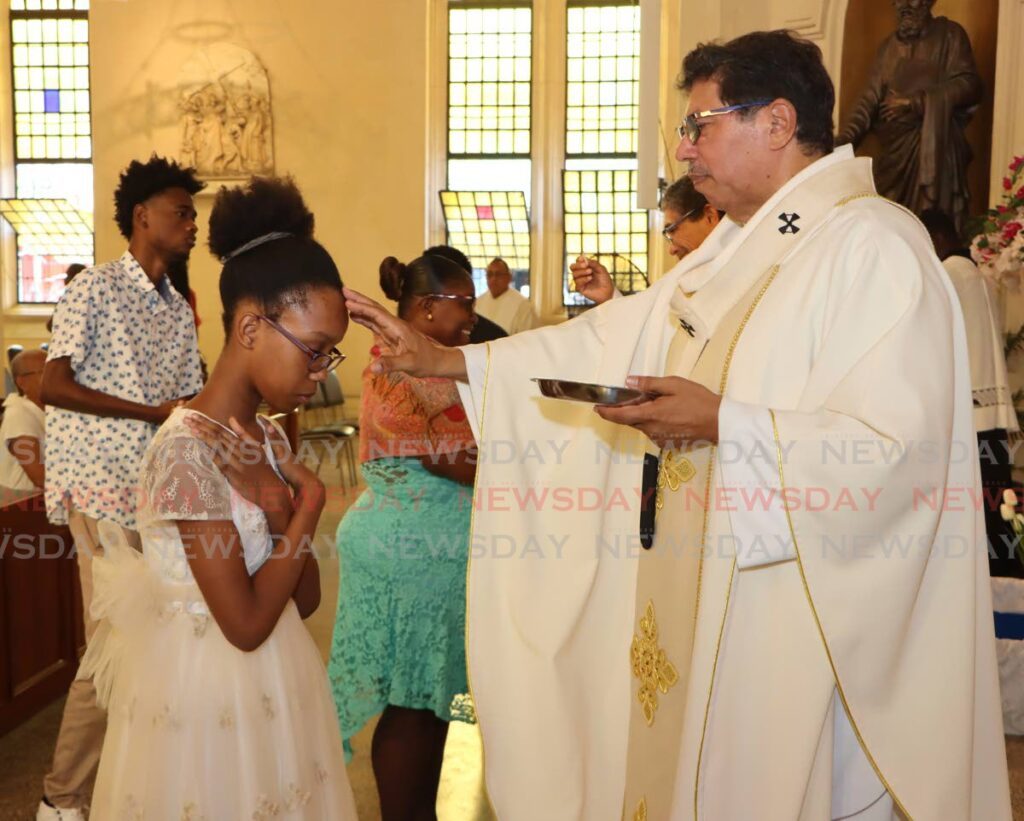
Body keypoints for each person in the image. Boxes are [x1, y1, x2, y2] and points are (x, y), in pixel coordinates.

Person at [342, 29, 1011, 820]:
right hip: (705, 587)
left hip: (798, 619)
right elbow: (609, 337)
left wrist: (727, 421)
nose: (687, 151)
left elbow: (900, 458)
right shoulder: (740, 247)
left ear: (777, 121)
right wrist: (455, 364)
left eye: (701, 125)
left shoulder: (871, 247)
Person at [81, 176, 357, 818]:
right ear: (252, 327)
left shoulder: (260, 436)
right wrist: (306, 503)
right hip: (208, 700)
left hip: (280, 686)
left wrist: (281, 501)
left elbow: (307, 598)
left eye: (328, 356)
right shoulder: (185, 453)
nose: (321, 375)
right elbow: (246, 623)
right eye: (314, 352)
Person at [36, 155, 205, 821]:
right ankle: (61, 796)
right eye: (181, 212)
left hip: (150, 489)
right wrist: (150, 413)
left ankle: (119, 781)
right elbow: (52, 383)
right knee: (115, 640)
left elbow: (185, 398)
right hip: (97, 489)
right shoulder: (97, 289)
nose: (191, 224)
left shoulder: (175, 307)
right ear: (143, 217)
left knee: (146, 639)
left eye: (193, 214)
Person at [328, 253, 477, 820]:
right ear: (423, 307)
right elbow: (452, 459)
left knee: (426, 699)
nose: (470, 314)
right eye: (461, 302)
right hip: (407, 552)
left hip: (426, 548)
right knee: (411, 702)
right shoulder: (398, 369)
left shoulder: (433, 365)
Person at [920, 207, 1019, 574]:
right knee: (996, 510)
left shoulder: (947, 276)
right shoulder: (982, 275)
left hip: (965, 416)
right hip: (991, 414)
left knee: (970, 516)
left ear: (938, 238)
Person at [837, 0, 982, 231]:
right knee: (890, 226)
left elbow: (969, 84)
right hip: (895, 156)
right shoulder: (888, 48)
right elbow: (869, 99)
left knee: (931, 226)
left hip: (935, 147)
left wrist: (915, 102)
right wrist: (845, 139)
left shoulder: (951, 36)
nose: (904, 5)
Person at [571, 176, 721, 304]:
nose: (672, 249)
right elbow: (654, 333)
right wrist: (609, 297)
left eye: (673, 229)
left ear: (710, 216)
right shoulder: (684, 282)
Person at [424, 244, 508, 343]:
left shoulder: (493, 341)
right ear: (428, 304)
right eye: (489, 274)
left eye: (470, 303)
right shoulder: (404, 343)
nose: (474, 318)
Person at [0, 349, 46, 491]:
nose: (56, 378)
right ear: (22, 382)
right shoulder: (18, 414)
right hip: (23, 507)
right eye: (45, 371)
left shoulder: (53, 410)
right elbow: (40, 477)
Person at [474, 256, 538, 334]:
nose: (493, 279)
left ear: (509, 277)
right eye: (489, 274)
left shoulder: (523, 305)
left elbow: (526, 338)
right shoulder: (478, 303)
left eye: (498, 274)